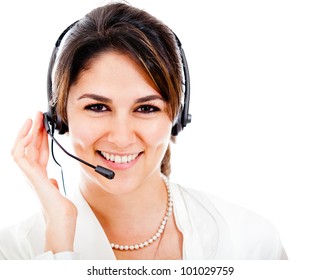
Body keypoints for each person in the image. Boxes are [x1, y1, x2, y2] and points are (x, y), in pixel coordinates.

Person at [0, 2, 287, 260]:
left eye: (146, 108)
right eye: (98, 107)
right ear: (60, 116)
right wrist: (58, 250)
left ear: (176, 116)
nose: (122, 137)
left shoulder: (251, 243)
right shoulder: (14, 254)